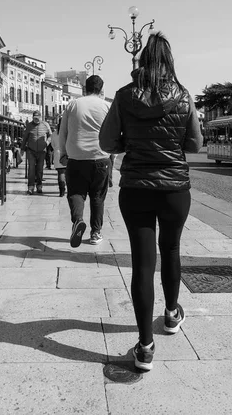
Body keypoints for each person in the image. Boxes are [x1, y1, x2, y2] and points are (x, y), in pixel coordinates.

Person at [99, 32, 203, 372]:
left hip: (137, 188)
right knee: (170, 249)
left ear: (142, 60)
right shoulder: (184, 96)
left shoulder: (124, 96)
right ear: (170, 63)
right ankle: (172, 316)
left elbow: (106, 142)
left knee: (143, 263)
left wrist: (131, 144)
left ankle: (145, 348)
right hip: (175, 189)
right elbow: (195, 145)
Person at [59, 75, 111, 247]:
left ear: (84, 88)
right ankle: (96, 233)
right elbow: (113, 134)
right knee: (97, 197)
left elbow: (63, 132)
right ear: (101, 89)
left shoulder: (73, 104)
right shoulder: (106, 106)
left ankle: (78, 221)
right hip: (100, 156)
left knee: (75, 192)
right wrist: (112, 157)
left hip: (76, 157)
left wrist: (63, 153)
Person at [21, 111, 52, 194]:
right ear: (32, 117)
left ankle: (39, 186)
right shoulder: (29, 126)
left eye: (38, 118)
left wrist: (47, 143)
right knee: (31, 169)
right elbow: (25, 138)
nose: (36, 120)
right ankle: (30, 187)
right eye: (35, 118)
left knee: (40, 169)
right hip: (31, 150)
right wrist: (22, 149)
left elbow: (50, 136)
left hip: (42, 151)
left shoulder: (46, 125)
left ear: (40, 117)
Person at [50, 119, 67, 197]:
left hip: (57, 153)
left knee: (61, 173)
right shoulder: (69, 132)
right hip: (67, 153)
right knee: (68, 173)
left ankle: (61, 191)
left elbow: (52, 144)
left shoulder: (54, 134)